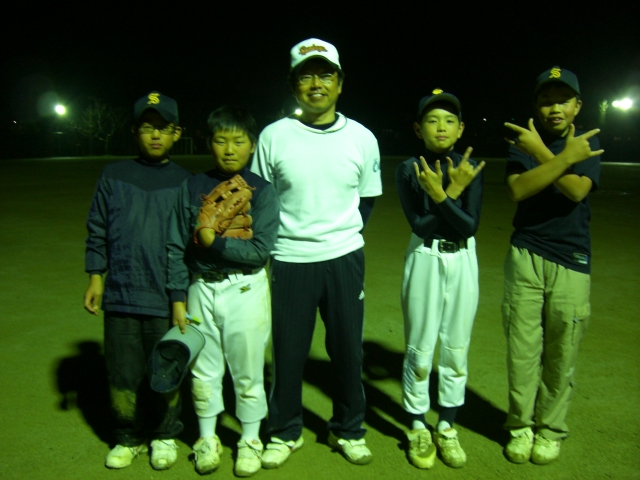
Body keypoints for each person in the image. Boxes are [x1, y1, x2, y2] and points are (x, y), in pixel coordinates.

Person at [250, 38, 383, 468]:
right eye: (305, 76)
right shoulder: (273, 136)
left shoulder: (362, 137)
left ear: (340, 83)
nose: (316, 84)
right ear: (294, 87)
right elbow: (261, 199)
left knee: (347, 351)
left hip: (344, 258)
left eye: (325, 74)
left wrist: (338, 235)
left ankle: (348, 428)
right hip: (289, 260)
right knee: (288, 353)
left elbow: (367, 201)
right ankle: (284, 431)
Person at [166, 106, 279, 477]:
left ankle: (250, 440)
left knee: (248, 371)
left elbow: (260, 251)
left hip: (245, 288)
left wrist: (214, 241)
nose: (230, 149)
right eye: (221, 140)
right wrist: (177, 297)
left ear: (252, 145)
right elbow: (175, 245)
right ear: (208, 143)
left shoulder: (263, 190)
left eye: (239, 141)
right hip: (200, 288)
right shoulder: (192, 186)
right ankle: (207, 439)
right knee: (203, 370)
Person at [83, 92, 191, 470]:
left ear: (176, 133)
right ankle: (128, 436)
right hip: (121, 293)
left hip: (165, 297)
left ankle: (164, 434)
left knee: (166, 370)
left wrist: (180, 294)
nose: (155, 135)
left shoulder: (185, 182)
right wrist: (96, 276)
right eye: (147, 127)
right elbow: (97, 228)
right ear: (135, 132)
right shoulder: (113, 175)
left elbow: (188, 246)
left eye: (163, 127)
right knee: (122, 371)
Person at [502, 67, 604, 465]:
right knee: (522, 350)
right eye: (547, 100)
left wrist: (544, 156)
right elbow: (518, 189)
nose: (555, 108)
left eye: (563, 100)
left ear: (578, 106)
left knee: (562, 350)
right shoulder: (523, 141)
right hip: (526, 254)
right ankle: (521, 427)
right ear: (536, 105)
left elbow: (577, 190)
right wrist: (561, 159)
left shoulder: (586, 142)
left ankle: (550, 430)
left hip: (572, 258)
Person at [396, 90, 484, 469]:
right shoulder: (408, 168)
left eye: (449, 120)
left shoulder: (470, 166)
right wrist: (452, 193)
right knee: (419, 345)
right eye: (432, 120)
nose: (441, 127)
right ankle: (418, 423)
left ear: (461, 128)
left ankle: (447, 424)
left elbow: (469, 226)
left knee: (456, 346)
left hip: (463, 257)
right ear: (418, 129)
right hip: (425, 257)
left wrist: (447, 193)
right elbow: (420, 226)